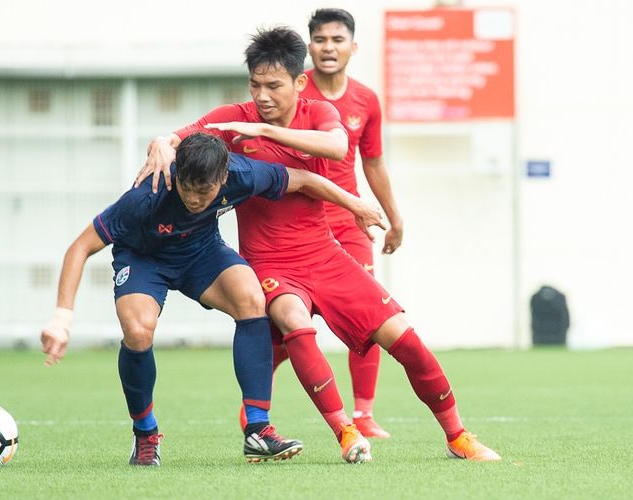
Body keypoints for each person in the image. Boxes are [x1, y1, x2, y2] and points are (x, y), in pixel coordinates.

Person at [139, 27, 501, 463]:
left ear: (299, 82)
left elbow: (336, 146)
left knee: (405, 340)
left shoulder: (317, 113)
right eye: (255, 84)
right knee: (293, 320)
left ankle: (457, 435)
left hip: (326, 255)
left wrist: (264, 132)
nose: (262, 95)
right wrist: (161, 144)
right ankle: (345, 431)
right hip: (270, 263)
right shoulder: (231, 118)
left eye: (273, 85)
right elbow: (177, 138)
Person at [41, 132, 386, 466]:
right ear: (178, 177)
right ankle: (145, 433)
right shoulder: (147, 194)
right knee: (138, 330)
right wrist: (62, 320)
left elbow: (304, 179)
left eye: (204, 192)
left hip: (200, 253)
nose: (194, 199)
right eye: (187, 189)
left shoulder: (242, 174)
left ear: (223, 178)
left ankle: (257, 429)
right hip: (144, 260)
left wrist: (355, 204)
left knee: (253, 298)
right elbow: (80, 247)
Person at [265, 7, 404, 440]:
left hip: (347, 224)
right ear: (310, 46)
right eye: (321, 40)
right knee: (286, 326)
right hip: (297, 226)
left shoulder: (365, 100)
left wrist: (394, 218)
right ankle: (255, 407)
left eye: (337, 40)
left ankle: (363, 414)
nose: (328, 48)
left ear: (352, 47)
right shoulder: (289, 89)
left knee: (369, 313)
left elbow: (374, 163)